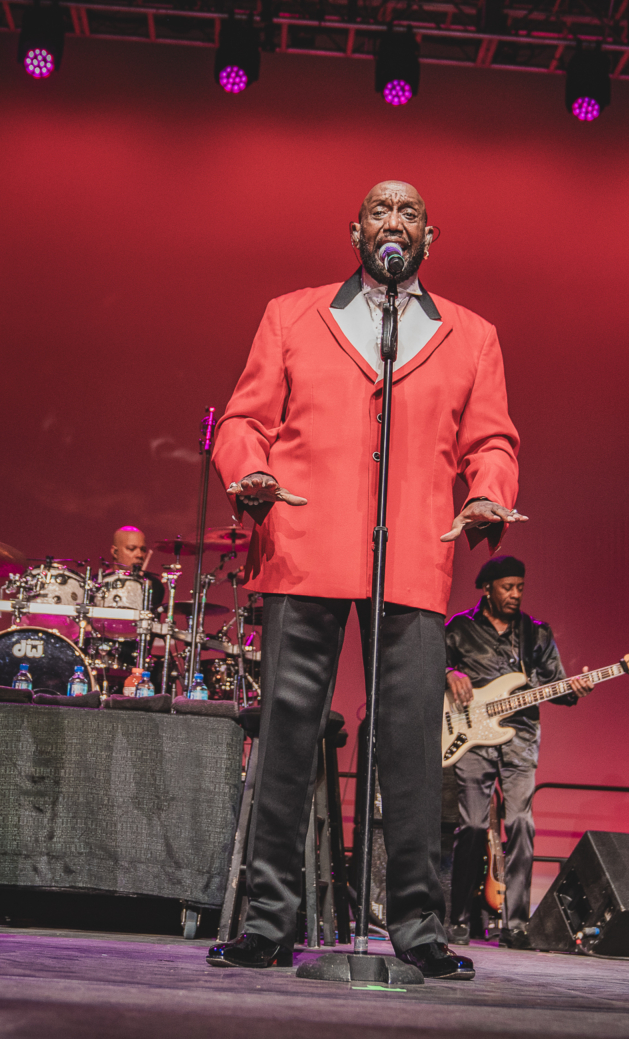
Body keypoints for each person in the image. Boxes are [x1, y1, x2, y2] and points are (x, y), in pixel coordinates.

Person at [206, 181, 520, 979]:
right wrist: (248, 471)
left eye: (408, 212)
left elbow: (493, 440)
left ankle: (417, 922)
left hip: (412, 553)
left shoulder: (471, 333)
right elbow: (243, 421)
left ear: (430, 235)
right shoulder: (293, 312)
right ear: (355, 230)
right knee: (286, 735)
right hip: (303, 541)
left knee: (414, 747)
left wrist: (490, 491)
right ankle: (270, 919)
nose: (393, 221)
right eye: (379, 210)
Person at [443, 555, 592, 949]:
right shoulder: (459, 627)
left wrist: (573, 690)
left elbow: (555, 686)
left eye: (520, 587)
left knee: (522, 823)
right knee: (473, 826)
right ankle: (456, 917)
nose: (515, 594)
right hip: (470, 732)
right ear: (487, 589)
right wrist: (449, 673)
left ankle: (516, 924)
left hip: (521, 735)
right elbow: (430, 665)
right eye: (507, 587)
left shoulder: (536, 634)